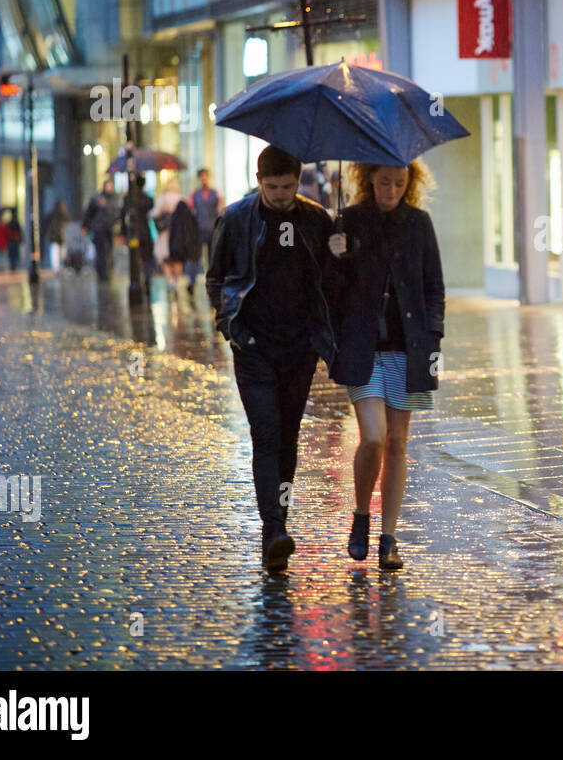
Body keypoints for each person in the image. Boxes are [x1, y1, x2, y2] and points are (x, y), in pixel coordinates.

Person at [207, 146, 338, 573]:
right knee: (265, 436)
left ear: (298, 181)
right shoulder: (237, 218)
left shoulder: (316, 220)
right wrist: (231, 327)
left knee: (287, 439)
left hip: (299, 349)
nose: (281, 195)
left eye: (288, 186)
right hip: (254, 347)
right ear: (259, 180)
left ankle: (277, 523)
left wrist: (342, 248)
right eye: (273, 187)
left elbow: (334, 280)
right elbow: (216, 277)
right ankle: (273, 530)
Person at [328, 160, 444, 571]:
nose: (391, 190)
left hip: (408, 349)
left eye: (399, 183)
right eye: (383, 182)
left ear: (410, 182)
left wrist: (432, 342)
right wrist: (336, 255)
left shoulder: (419, 223)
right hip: (363, 348)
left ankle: (389, 538)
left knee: (398, 443)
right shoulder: (350, 220)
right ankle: (361, 515)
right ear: (368, 179)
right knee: (373, 436)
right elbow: (333, 291)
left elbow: (434, 289)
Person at [151, 175, 190, 293]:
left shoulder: (161, 199)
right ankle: (176, 281)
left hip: (165, 233)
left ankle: (170, 280)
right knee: (177, 259)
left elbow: (154, 214)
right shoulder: (181, 199)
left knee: (166, 258)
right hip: (178, 234)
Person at [120, 174, 156, 294]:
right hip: (144, 232)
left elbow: (123, 217)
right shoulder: (146, 199)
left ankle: (140, 281)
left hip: (135, 233)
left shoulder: (128, 199)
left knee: (136, 258)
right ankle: (146, 279)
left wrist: (123, 234)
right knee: (146, 258)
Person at [188, 168, 221, 295]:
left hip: (212, 229)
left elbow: (219, 210)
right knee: (196, 257)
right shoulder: (195, 194)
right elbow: (192, 211)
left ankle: (213, 282)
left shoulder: (215, 193)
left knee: (212, 258)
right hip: (199, 230)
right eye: (201, 176)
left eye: (205, 176)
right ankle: (192, 282)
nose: (204, 179)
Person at [82, 179, 121, 280]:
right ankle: (102, 273)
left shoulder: (114, 199)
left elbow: (117, 215)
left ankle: (108, 271)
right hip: (99, 229)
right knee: (101, 252)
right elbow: (89, 213)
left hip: (109, 229)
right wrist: (85, 226)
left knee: (109, 251)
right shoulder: (97, 199)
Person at [44, 200, 70, 270]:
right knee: (58, 256)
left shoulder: (63, 216)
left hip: (58, 238)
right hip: (57, 238)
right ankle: (59, 269)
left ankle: (59, 269)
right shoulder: (62, 216)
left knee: (59, 256)